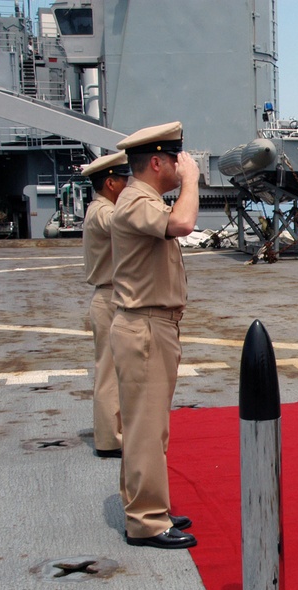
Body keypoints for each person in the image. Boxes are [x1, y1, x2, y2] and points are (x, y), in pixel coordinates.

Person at [111, 121, 199, 549]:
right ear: (158, 163)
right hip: (144, 325)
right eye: (177, 160)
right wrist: (192, 181)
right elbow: (182, 223)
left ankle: (150, 504)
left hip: (154, 324)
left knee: (152, 426)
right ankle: (146, 520)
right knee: (145, 428)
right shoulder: (135, 201)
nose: (183, 166)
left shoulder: (144, 202)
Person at [81, 152, 130, 458]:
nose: (129, 185)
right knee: (110, 372)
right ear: (111, 183)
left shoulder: (100, 207)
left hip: (114, 296)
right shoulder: (102, 211)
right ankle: (110, 440)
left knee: (117, 371)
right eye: (125, 180)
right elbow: (122, 223)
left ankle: (119, 432)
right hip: (110, 297)